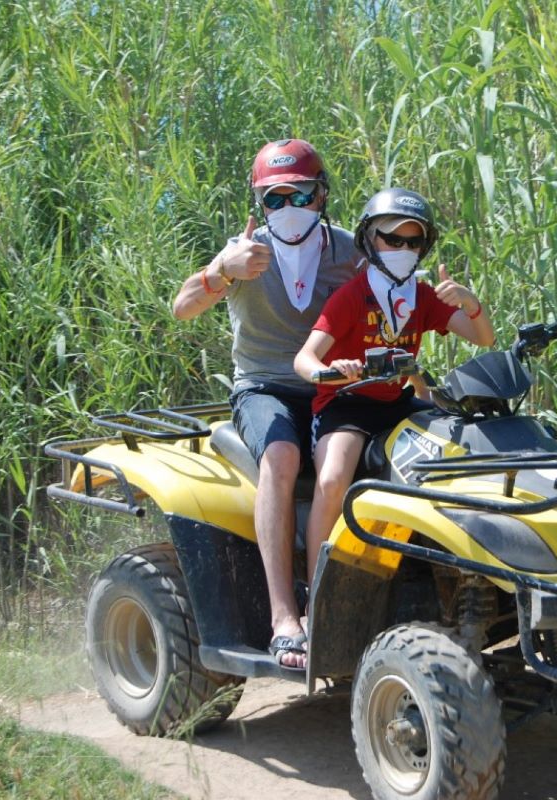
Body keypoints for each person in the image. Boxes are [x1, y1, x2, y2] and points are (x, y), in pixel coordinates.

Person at [172, 139, 361, 671]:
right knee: (281, 455)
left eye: (299, 194)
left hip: (334, 387)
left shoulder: (349, 251)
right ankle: (284, 616)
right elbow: (182, 306)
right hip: (264, 387)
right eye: (274, 198)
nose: (288, 207)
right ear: (259, 204)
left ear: (321, 195)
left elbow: (394, 302)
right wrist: (223, 272)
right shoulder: (243, 251)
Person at [293, 188, 495, 585]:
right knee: (332, 480)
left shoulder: (423, 296)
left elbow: (483, 337)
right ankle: (316, 589)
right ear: (370, 240)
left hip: (395, 402)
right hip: (345, 404)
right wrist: (331, 371)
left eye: (413, 241)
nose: (403, 248)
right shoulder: (352, 296)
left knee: (465, 445)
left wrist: (470, 303)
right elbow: (304, 358)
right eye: (392, 238)